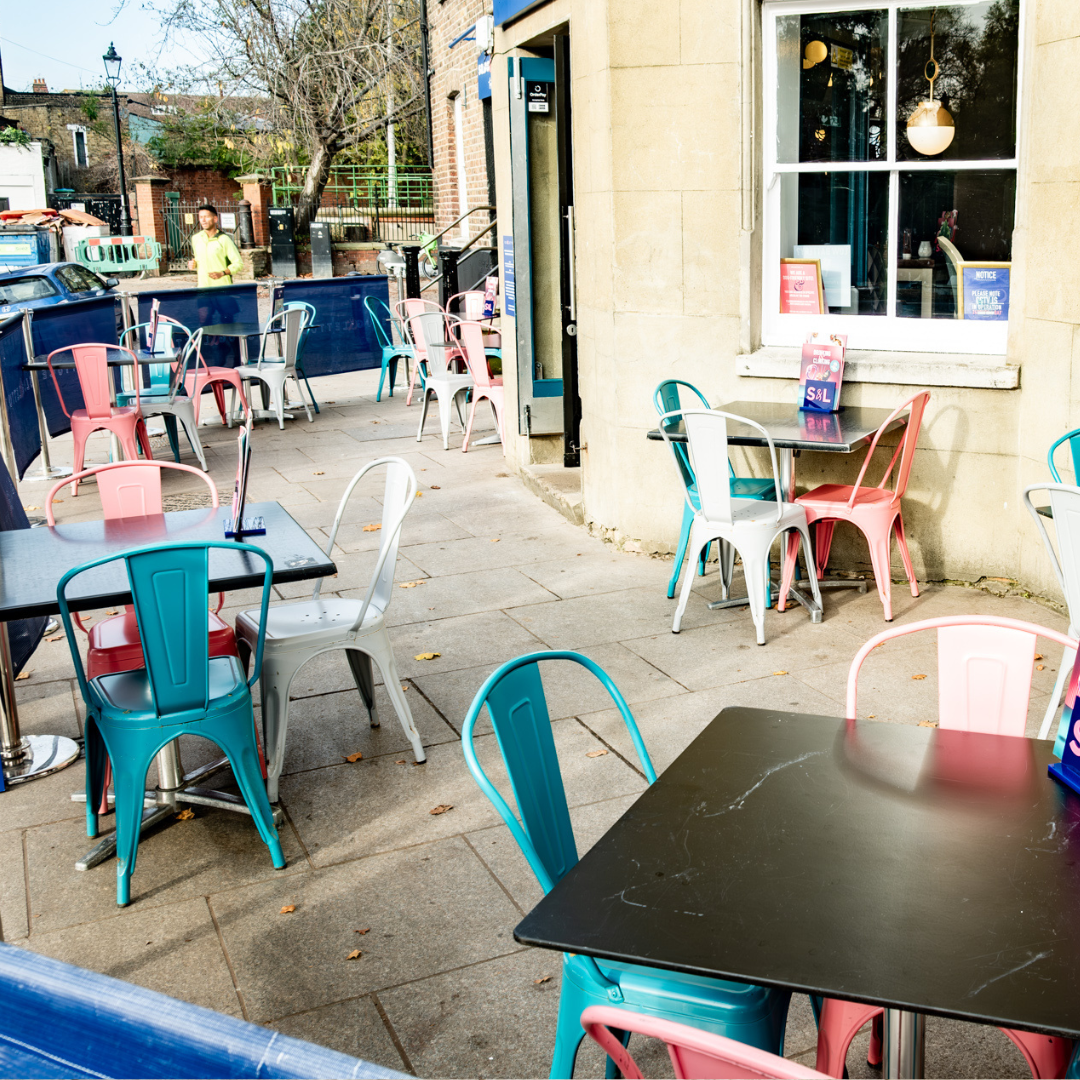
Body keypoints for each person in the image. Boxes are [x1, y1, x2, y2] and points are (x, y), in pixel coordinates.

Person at [189, 205, 243, 289]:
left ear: (215, 219)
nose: (203, 220)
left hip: (222, 288)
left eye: (206, 217)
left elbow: (238, 263)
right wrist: (193, 264)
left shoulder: (224, 239)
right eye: (201, 217)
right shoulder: (196, 238)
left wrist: (222, 273)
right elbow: (197, 259)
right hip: (203, 288)